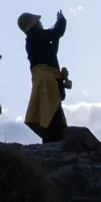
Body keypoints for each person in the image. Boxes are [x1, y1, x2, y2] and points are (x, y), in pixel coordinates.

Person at [19, 10, 68, 142]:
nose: (40, 22)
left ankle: (53, 140)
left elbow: (52, 50)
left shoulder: (34, 38)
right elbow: (57, 32)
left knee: (49, 109)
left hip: (44, 79)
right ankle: (55, 141)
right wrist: (61, 20)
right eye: (38, 21)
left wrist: (56, 36)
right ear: (33, 25)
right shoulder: (36, 35)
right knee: (51, 111)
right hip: (47, 80)